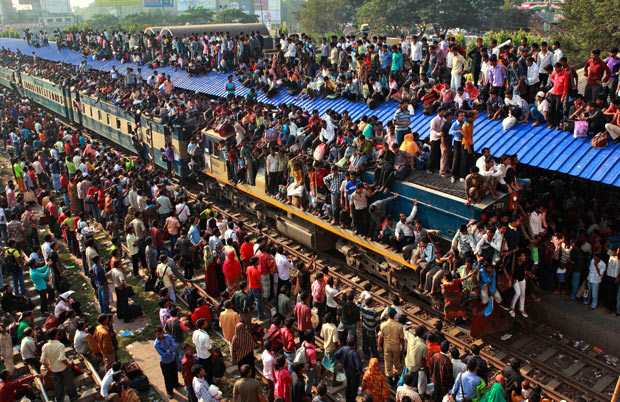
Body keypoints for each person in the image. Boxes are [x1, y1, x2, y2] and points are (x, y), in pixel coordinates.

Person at [41, 328, 79, 402]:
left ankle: (59, 399)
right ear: (56, 335)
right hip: (63, 367)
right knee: (69, 382)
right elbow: (62, 358)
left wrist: (48, 367)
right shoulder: (60, 345)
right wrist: (68, 365)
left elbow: (42, 360)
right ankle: (73, 397)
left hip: (54, 369)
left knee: (58, 384)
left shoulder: (45, 346)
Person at [335, 336, 363, 402]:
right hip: (354, 373)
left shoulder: (343, 348)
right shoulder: (355, 353)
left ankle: (347, 399)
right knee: (354, 387)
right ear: (355, 343)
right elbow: (359, 365)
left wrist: (340, 361)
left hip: (346, 370)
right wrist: (359, 371)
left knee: (349, 385)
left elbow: (336, 354)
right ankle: (352, 400)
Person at [154, 326, 179, 398]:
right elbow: (163, 354)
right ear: (155, 334)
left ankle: (176, 384)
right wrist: (169, 350)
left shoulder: (168, 336)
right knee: (167, 378)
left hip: (172, 359)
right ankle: (169, 392)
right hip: (165, 362)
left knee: (174, 373)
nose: (160, 335)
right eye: (158, 334)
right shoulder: (156, 344)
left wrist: (169, 350)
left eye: (161, 333)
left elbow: (174, 346)